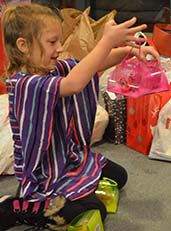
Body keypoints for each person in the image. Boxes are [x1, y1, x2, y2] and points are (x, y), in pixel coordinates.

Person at [0, 3, 160, 231]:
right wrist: (105, 41)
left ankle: (74, 191)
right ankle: (19, 207)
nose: (58, 48)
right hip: (44, 175)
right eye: (52, 42)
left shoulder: (50, 69)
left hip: (67, 158)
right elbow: (74, 84)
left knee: (119, 176)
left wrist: (132, 51)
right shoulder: (25, 83)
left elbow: (90, 66)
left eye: (59, 41)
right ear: (23, 45)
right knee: (92, 209)